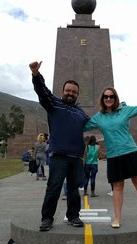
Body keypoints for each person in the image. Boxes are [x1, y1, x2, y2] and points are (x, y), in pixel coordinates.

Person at [84, 80, 137, 228]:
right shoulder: (99, 117)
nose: (108, 99)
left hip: (129, 151)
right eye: (106, 97)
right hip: (113, 156)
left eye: (111, 96)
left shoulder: (125, 110)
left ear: (115, 98)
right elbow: (83, 125)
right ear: (103, 99)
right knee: (117, 187)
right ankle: (117, 218)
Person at [29, 61, 90, 231]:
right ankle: (47, 219)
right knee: (54, 188)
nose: (71, 93)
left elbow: (94, 123)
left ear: (77, 94)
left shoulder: (80, 113)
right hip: (59, 156)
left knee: (73, 189)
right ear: (63, 91)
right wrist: (36, 75)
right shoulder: (54, 104)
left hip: (76, 158)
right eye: (68, 91)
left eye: (74, 92)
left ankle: (73, 216)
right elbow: (43, 91)